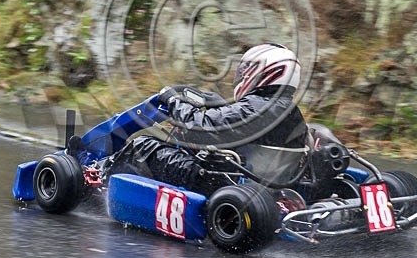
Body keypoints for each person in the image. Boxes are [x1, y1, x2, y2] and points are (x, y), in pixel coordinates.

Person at [106, 43, 308, 196]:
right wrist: (223, 107)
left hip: (217, 183)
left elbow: (197, 128)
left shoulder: (255, 106)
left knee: (143, 146)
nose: (241, 75)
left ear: (267, 71)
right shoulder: (291, 113)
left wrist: (174, 100)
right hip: (259, 188)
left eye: (247, 70)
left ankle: (99, 179)